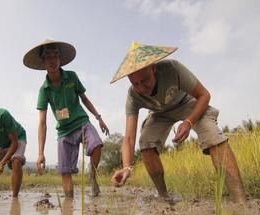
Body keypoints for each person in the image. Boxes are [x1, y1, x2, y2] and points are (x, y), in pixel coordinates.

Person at [110, 42, 246, 204]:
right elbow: (129, 138)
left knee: (212, 135)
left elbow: (204, 95)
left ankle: (240, 200)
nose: (141, 87)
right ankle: (163, 197)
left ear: (153, 68)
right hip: (159, 113)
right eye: (135, 84)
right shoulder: (133, 96)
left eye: (144, 80)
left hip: (187, 103)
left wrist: (189, 122)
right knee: (145, 142)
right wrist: (127, 167)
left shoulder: (172, 69)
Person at [23, 39, 109, 197]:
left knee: (96, 144)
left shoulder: (72, 77)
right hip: (64, 131)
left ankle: (92, 176)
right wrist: (41, 153)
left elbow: (85, 99)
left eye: (55, 55)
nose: (52, 60)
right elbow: (42, 123)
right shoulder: (44, 90)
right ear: (43, 61)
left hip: (82, 123)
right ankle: (68, 208)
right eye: (48, 56)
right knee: (65, 171)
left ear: (60, 59)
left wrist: (98, 117)